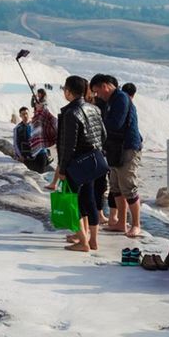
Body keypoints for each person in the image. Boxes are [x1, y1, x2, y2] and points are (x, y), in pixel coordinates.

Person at [48, 75, 107, 253]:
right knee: (90, 200)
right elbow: (103, 134)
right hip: (94, 161)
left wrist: (63, 168)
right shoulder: (94, 109)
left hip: (77, 163)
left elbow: (68, 145)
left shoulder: (71, 113)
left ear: (68, 91)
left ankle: (83, 242)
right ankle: (93, 240)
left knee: (74, 203)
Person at [89, 74, 143, 238]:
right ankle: (121, 222)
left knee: (128, 185)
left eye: (97, 92)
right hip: (114, 148)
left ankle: (136, 224)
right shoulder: (111, 100)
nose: (98, 96)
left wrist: (97, 125)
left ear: (105, 86)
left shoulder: (121, 98)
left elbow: (115, 124)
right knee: (116, 186)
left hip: (127, 147)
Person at [14, 107, 50, 173]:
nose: (25, 116)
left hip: (41, 155)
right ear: (20, 116)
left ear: (29, 114)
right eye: (23, 114)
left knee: (40, 175)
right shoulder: (18, 128)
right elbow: (16, 143)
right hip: (27, 157)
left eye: (26, 113)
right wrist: (20, 156)